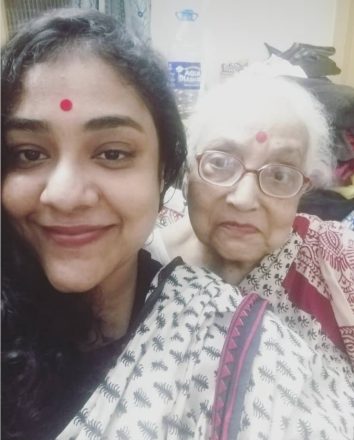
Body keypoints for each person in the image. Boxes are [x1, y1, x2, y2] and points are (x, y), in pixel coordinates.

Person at [3, 11, 354, 440]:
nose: (244, 198)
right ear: (184, 176)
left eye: (112, 153)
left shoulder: (333, 264)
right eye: (29, 153)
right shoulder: (148, 247)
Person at [1, 8, 187, 439]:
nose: (64, 195)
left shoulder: (208, 328)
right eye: (29, 153)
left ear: (163, 173)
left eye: (112, 153)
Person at [148, 73, 354, 366]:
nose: (244, 199)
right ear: (188, 170)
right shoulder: (137, 264)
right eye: (220, 163)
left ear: (304, 188)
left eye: (280, 175)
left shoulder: (334, 259)